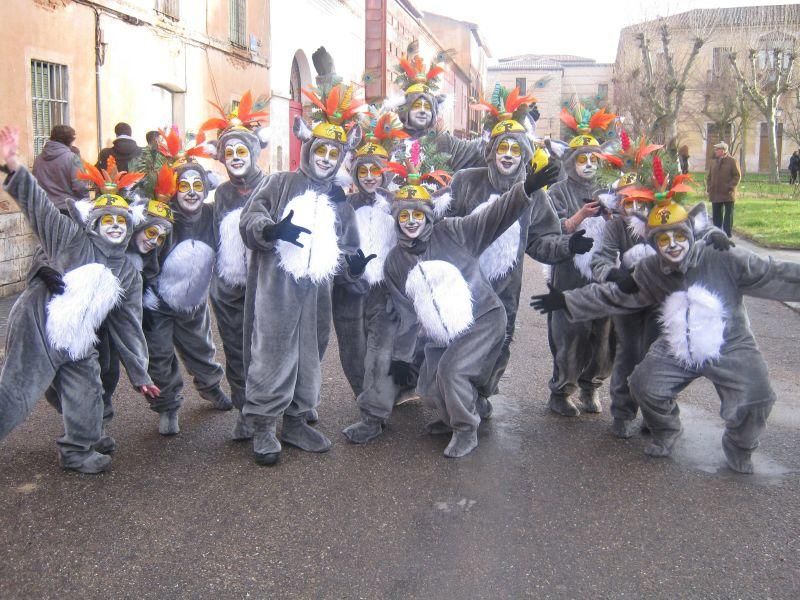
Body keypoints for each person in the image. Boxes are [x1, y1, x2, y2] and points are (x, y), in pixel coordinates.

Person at [532, 186, 800, 474]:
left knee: (757, 394)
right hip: (675, 343)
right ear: (655, 243)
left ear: (690, 234)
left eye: (679, 236)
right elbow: (615, 295)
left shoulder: (723, 256)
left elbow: (773, 273)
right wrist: (566, 299)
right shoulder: (651, 268)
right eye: (664, 239)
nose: (672, 245)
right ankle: (666, 430)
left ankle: (740, 445)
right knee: (643, 383)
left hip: (729, 341)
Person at [0, 125, 158, 474]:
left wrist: (140, 373)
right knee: (16, 392)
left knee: (89, 389)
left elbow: (128, 325)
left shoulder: (129, 272)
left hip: (79, 337)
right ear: (94, 224)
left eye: (121, 221)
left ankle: (78, 450)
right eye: (107, 220)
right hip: (38, 326)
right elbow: (39, 207)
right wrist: (13, 164)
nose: (115, 226)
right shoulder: (71, 238)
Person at [383, 160, 560, 458]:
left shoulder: (453, 231)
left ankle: (466, 429)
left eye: (417, 214)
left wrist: (525, 189)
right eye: (404, 215)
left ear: (428, 216)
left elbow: (494, 216)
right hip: (442, 332)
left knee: (452, 372)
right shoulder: (395, 263)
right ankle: (461, 412)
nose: (411, 221)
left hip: (481, 320)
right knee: (428, 383)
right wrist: (402, 356)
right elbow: (407, 313)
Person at [239, 79, 365, 465]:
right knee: (271, 354)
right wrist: (270, 230)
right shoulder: (279, 183)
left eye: (334, 151)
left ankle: (295, 422)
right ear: (308, 150)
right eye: (321, 149)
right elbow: (251, 218)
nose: (326, 157)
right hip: (276, 292)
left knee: (310, 356)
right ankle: (263, 428)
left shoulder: (339, 200)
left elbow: (347, 248)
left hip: (316, 296)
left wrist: (353, 265)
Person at [445, 85, 590, 419]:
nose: (508, 154)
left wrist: (569, 245)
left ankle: (480, 394)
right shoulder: (467, 181)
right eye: (502, 147)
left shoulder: (535, 195)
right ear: (492, 150)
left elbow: (541, 241)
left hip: (504, 290)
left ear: (525, 154)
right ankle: (454, 399)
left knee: (499, 344)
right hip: (463, 282)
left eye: (515, 148)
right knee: (456, 340)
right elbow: (443, 225)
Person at [141, 130, 232, 436]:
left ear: (206, 189)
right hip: (159, 306)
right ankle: (167, 406)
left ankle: (210, 388)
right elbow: (143, 253)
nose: (191, 192)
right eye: (184, 186)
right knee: (160, 356)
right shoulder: (163, 217)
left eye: (197, 186)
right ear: (174, 190)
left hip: (194, 302)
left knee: (202, 350)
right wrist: (148, 289)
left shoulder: (211, 214)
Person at [199, 92, 269, 437]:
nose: (236, 158)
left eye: (242, 151)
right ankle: (245, 410)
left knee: (267, 349)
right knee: (236, 352)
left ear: (254, 153)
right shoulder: (222, 193)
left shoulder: (271, 185)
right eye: (230, 153)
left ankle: (279, 409)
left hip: (264, 286)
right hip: (228, 290)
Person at [542, 101, 617, 417]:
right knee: (569, 334)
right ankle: (561, 391)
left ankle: (591, 387)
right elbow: (549, 228)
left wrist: (615, 215)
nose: (587, 164)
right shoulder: (557, 191)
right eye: (581, 159)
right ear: (570, 161)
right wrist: (577, 218)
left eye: (593, 159)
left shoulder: (610, 188)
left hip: (602, 273)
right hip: (570, 273)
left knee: (603, 334)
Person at [31, 124, 89, 212]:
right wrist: (87, 203)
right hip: (66, 209)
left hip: (44, 208)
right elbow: (80, 186)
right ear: (69, 141)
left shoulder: (39, 159)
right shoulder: (72, 158)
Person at [707, 141, 740, 237]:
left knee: (728, 215)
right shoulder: (713, 162)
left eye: (717, 149)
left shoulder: (732, 161)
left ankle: (727, 234)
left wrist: (730, 186)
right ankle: (717, 233)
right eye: (716, 149)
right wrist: (709, 187)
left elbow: (737, 176)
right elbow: (709, 176)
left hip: (728, 193)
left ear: (723, 150)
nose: (715, 151)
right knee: (716, 215)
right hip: (715, 193)